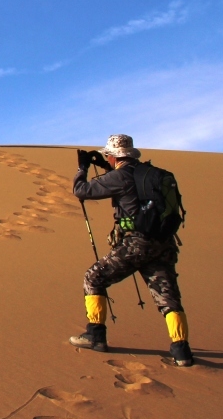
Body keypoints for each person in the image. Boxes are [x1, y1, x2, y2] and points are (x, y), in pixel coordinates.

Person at [69, 134, 193, 366]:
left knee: (94, 278)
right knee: (168, 298)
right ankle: (181, 351)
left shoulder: (120, 177)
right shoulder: (149, 174)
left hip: (136, 243)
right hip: (163, 243)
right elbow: (127, 182)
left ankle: (95, 336)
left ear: (114, 156)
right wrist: (105, 165)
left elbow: (81, 190)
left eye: (109, 155)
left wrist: (82, 167)